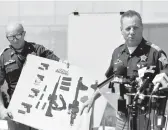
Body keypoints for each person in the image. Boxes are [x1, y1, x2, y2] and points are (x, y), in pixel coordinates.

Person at [80, 10, 168, 130]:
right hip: (122, 118)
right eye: (128, 28)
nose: (132, 32)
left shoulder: (155, 53)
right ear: (121, 30)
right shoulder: (117, 53)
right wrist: (92, 99)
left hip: (146, 118)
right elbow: (109, 80)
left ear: (142, 28)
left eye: (135, 28)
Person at [0, 22, 68, 130]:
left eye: (17, 35)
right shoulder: (4, 57)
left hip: (39, 108)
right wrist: (2, 109)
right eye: (10, 37)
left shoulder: (38, 50)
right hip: (16, 110)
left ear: (24, 34)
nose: (15, 40)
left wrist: (65, 64)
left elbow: (59, 64)